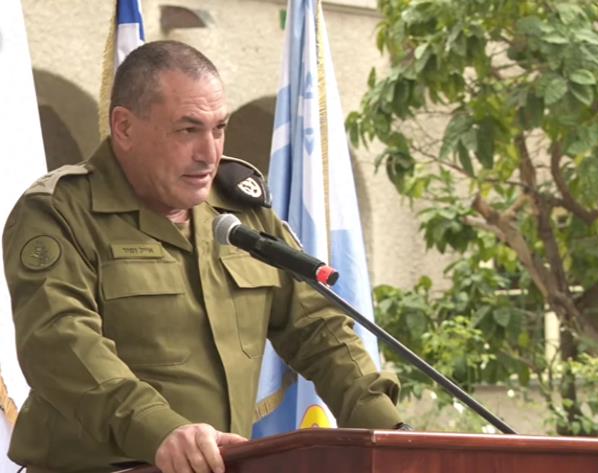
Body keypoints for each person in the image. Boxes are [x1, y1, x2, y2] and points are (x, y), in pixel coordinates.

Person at [3, 40, 404, 473]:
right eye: (187, 130)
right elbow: (61, 343)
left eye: (218, 128)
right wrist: (159, 430)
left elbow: (319, 331)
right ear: (124, 127)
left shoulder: (241, 214)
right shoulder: (59, 212)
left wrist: (393, 435)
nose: (209, 153)